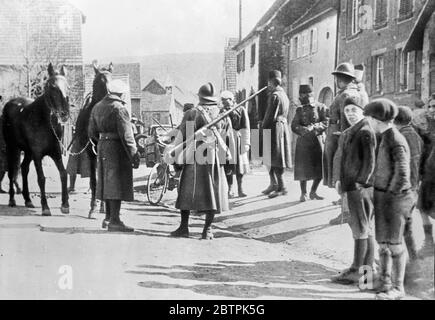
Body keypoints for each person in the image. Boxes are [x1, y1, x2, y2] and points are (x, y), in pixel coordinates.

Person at [365, 99, 413, 300]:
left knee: (394, 245)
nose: (369, 121)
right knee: (383, 243)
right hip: (383, 196)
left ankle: (398, 288)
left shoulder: (395, 139)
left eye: (370, 118)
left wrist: (389, 197)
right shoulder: (383, 136)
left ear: (377, 119)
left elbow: (402, 175)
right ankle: (385, 284)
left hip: (395, 199)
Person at [170, 83, 229, 240]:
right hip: (214, 155)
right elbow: (225, 136)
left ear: (200, 97)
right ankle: (207, 230)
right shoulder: (221, 113)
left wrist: (176, 155)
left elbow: (182, 135)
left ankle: (184, 227)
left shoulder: (192, 113)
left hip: (195, 155)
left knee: (187, 191)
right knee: (213, 191)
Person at [330, 97, 377, 284]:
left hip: (361, 189)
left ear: (362, 111)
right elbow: (344, 160)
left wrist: (361, 183)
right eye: (347, 110)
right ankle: (364, 272)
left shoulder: (365, 131)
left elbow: (370, 163)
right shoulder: (351, 131)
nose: (350, 114)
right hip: (351, 186)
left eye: (353, 110)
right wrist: (340, 180)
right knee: (363, 229)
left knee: (362, 229)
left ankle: (361, 272)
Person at [88, 79, 140, 232]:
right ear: (121, 94)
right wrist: (134, 154)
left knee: (107, 182)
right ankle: (115, 221)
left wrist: (102, 141)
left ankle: (108, 218)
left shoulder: (97, 107)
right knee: (116, 183)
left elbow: (91, 132)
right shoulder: (119, 108)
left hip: (103, 146)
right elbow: (127, 135)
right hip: (117, 149)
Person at [324, 63, 360, 226]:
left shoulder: (346, 95)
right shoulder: (351, 92)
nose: (337, 80)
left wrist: (343, 136)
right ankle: (345, 208)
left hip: (340, 137)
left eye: (338, 77)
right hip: (339, 135)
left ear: (344, 78)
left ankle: (346, 213)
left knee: (341, 174)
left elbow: (349, 117)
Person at [394, 106, 424, 265]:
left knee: (399, 226)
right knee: (407, 225)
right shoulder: (416, 136)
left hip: (403, 187)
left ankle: (407, 262)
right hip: (414, 185)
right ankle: (413, 259)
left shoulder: (400, 137)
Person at [291, 84, 328, 202]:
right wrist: (303, 130)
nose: (303, 97)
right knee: (303, 169)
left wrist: (315, 127)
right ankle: (304, 193)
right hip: (304, 143)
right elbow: (294, 125)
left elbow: (326, 122)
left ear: (311, 94)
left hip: (317, 142)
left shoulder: (321, 107)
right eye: (302, 95)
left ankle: (313, 192)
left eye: (306, 94)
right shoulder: (299, 109)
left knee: (320, 169)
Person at [261, 70, 292, 199]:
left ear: (271, 82)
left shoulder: (274, 96)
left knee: (275, 157)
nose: (268, 85)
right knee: (274, 157)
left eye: (269, 83)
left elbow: (269, 116)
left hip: (275, 129)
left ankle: (281, 187)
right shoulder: (283, 94)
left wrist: (262, 127)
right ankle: (273, 184)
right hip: (282, 127)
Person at [219, 91, 251, 198]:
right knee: (228, 166)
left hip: (237, 140)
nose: (224, 103)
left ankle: (240, 189)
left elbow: (246, 128)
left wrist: (246, 143)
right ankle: (229, 189)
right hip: (226, 141)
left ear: (232, 100)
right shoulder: (221, 112)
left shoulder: (241, 110)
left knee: (239, 167)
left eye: (226, 100)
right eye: (222, 101)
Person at [416, 96, 435, 257]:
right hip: (428, 176)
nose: (432, 110)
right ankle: (429, 242)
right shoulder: (427, 125)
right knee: (422, 208)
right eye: (431, 107)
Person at [0, 95, 21, 194]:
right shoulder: (2, 119)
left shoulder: (12, 118)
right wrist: (3, 145)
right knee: (3, 166)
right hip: (4, 146)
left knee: (15, 165)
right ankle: (17, 185)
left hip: (13, 146)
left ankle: (16, 184)